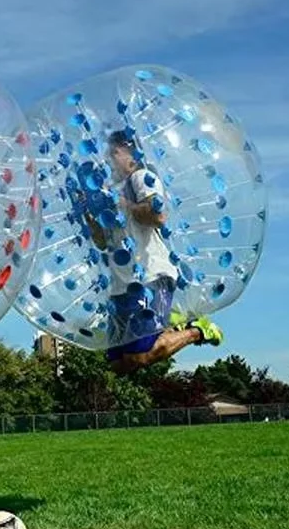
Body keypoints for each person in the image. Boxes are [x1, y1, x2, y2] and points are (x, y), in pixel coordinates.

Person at [85, 130, 223, 375]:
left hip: (148, 276)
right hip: (120, 286)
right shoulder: (111, 193)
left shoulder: (140, 178)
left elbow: (157, 216)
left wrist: (123, 204)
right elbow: (101, 242)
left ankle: (197, 330)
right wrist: (90, 215)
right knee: (119, 364)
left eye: (114, 152)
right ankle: (169, 325)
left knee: (139, 357)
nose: (108, 158)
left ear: (131, 154)